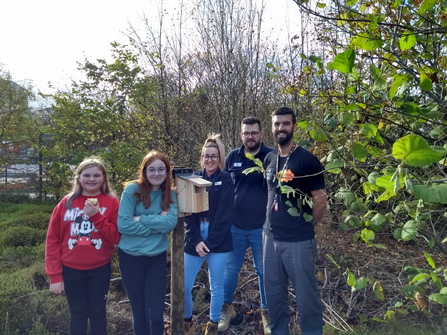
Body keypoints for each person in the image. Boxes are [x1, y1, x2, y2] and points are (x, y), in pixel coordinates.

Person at [263, 107, 327, 335]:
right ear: (272, 127)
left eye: (285, 124)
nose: (281, 128)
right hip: (270, 239)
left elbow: (320, 200)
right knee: (273, 294)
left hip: (298, 241)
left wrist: (312, 224)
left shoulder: (307, 160)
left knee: (306, 297)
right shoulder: (270, 158)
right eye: (277, 124)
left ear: (294, 127)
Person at [45, 156, 120, 335]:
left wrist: (96, 216)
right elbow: (52, 240)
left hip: (100, 270)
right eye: (87, 175)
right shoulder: (66, 203)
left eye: (97, 175)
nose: (92, 179)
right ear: (79, 178)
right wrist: (55, 275)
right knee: (77, 315)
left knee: (98, 314)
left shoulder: (111, 202)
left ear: (104, 178)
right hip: (71, 270)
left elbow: (116, 237)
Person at [219, 116, 273, 334]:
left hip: (263, 227)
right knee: (231, 271)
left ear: (261, 134)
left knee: (263, 271)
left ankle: (266, 312)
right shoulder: (232, 157)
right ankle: (227, 308)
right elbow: (222, 189)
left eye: (254, 132)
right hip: (235, 227)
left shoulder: (271, 156)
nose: (250, 136)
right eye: (246, 133)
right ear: (241, 135)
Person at [117, 151, 178, 335]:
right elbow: (123, 224)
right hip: (130, 259)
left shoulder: (171, 195)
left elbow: (170, 223)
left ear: (167, 172)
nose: (157, 173)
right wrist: (155, 225)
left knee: (156, 315)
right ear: (144, 171)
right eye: (152, 169)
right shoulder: (132, 190)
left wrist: (140, 218)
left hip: (156, 259)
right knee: (140, 314)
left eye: (161, 169)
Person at [184, 134, 234, 335]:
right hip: (195, 237)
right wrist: (196, 240)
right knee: (184, 287)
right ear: (202, 158)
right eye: (206, 156)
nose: (210, 160)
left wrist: (210, 243)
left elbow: (225, 216)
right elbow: (187, 213)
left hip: (219, 239)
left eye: (214, 156)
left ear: (219, 158)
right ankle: (187, 323)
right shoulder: (193, 179)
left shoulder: (226, 179)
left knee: (217, 287)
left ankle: (212, 326)